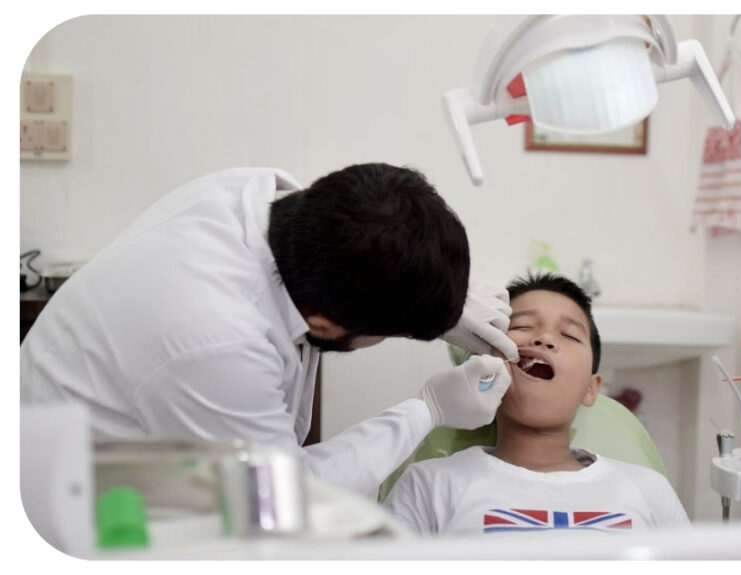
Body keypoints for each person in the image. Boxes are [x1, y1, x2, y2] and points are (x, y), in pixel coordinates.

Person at [20, 163, 518, 500]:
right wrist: (426, 409)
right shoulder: (217, 341)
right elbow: (286, 498)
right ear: (323, 324)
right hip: (73, 499)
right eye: (387, 334)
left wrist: (434, 291)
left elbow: (367, 236)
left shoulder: (267, 199)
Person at [383, 272, 690, 535]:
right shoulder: (429, 485)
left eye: (569, 335)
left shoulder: (649, 491)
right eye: (522, 327)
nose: (544, 339)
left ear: (590, 388)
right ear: (485, 362)